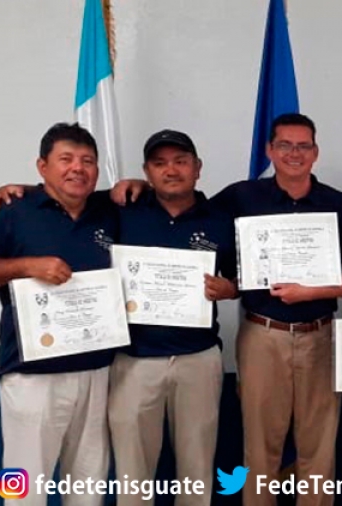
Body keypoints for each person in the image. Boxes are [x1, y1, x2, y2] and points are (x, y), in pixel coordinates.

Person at [212, 113, 342, 506]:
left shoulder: (338, 204)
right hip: (263, 335)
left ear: (315, 152)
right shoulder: (242, 197)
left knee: (319, 448)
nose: (294, 154)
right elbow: (185, 209)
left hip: (320, 335)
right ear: (270, 149)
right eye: (285, 145)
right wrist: (136, 187)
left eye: (303, 146)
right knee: (260, 447)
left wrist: (310, 291)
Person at [0, 123, 118, 506]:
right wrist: (27, 265)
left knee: (89, 486)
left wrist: (136, 183)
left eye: (87, 161)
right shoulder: (12, 210)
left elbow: (152, 193)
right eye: (66, 159)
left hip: (97, 370)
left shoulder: (108, 211)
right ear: (42, 166)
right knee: (23, 486)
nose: (77, 168)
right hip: (31, 374)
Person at [107, 130, 238, 506]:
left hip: (198, 358)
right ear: (146, 171)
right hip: (134, 360)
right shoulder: (122, 208)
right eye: (160, 163)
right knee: (133, 472)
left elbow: (243, 279)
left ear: (198, 168)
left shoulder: (221, 218)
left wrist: (229, 289)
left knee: (197, 469)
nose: (171, 170)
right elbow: (67, 195)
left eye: (181, 161)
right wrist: (20, 189)